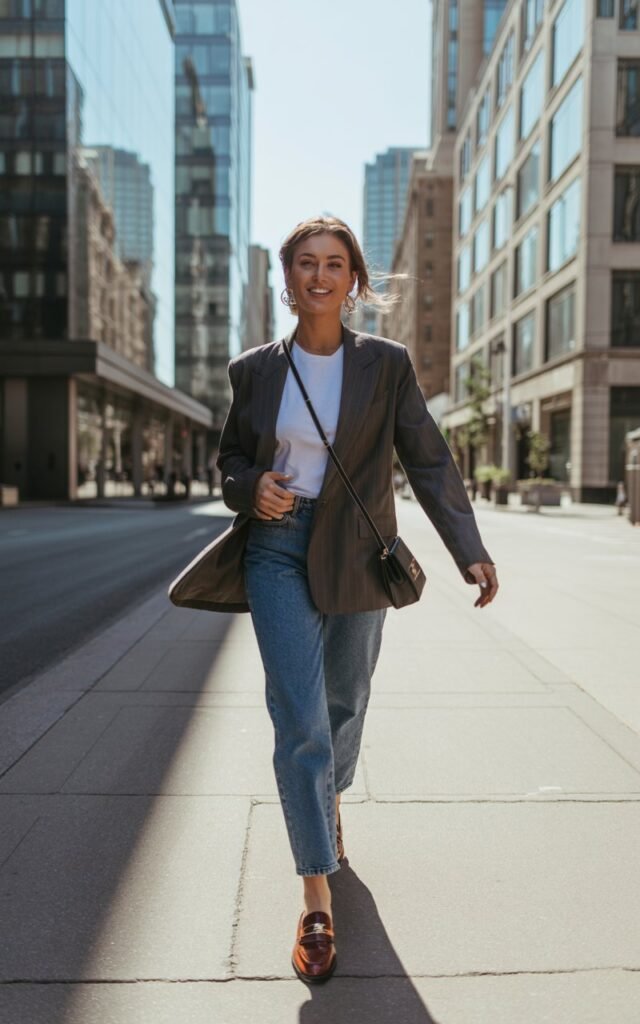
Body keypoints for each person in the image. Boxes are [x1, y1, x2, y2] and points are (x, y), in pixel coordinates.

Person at [216, 215, 498, 984]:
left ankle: (328, 799)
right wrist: (253, 487)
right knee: (299, 718)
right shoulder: (254, 370)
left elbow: (428, 459)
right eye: (305, 263)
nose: (319, 275)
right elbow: (231, 459)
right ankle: (316, 891)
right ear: (287, 279)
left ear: (353, 280)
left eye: (334, 263)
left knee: (344, 702)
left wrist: (468, 547)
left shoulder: (386, 364)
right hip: (277, 549)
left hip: (359, 549)